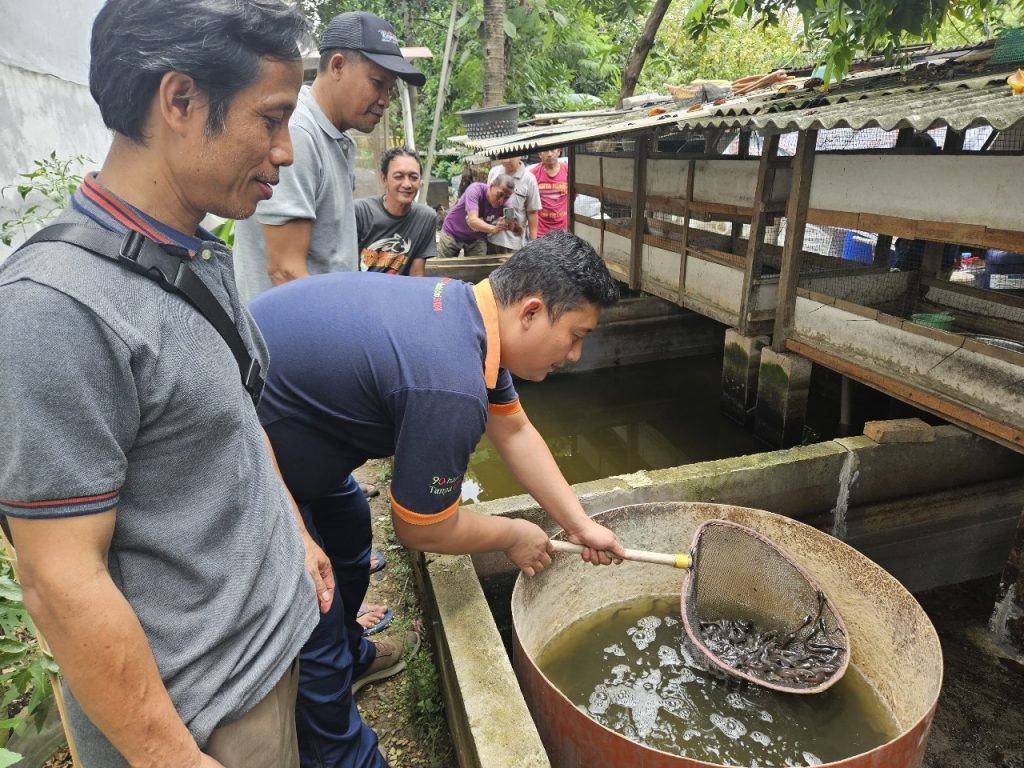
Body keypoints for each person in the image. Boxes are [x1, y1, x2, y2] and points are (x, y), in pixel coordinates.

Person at [0, 2, 332, 767]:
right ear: (180, 100)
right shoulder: (55, 309)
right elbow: (59, 579)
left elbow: (232, 418)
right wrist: (171, 757)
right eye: (271, 118)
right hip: (207, 712)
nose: (285, 151)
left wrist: (293, 532)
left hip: (267, 648)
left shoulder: (187, 252)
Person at [249, 230, 627, 768]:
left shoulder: (464, 311)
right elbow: (421, 529)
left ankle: (351, 654)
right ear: (531, 311)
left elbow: (515, 430)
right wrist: (514, 534)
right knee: (317, 614)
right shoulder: (450, 383)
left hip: (290, 434)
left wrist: (579, 524)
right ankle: (337, 743)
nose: (575, 354)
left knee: (351, 524)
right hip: (242, 459)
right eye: (575, 335)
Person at [233, 11, 426, 302]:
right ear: (338, 66)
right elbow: (286, 272)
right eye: (377, 83)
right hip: (290, 327)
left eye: (389, 89)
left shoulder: (334, 136)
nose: (385, 100)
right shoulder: (298, 134)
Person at [355, 146, 437, 276]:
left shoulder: (425, 218)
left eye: (413, 177)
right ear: (384, 179)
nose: (407, 184)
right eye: (399, 177)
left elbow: (416, 273)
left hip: (400, 287)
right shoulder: (360, 212)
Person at [436, 174, 517, 258]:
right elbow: (473, 220)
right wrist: (494, 229)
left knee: (479, 265)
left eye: (506, 197)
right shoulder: (475, 190)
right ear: (491, 186)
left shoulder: (507, 205)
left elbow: (513, 225)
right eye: (500, 195)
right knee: (442, 264)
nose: (501, 200)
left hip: (477, 238)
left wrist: (507, 224)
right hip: (452, 232)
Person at [486, 155, 539, 253]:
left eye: (510, 157)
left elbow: (532, 212)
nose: (506, 160)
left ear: (520, 155)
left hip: (513, 242)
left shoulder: (529, 179)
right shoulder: (494, 172)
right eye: (503, 157)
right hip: (490, 238)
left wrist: (533, 244)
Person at [530, 147, 570, 236]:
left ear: (558, 152)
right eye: (545, 151)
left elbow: (573, 196)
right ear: (540, 154)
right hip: (541, 232)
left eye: (552, 150)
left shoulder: (568, 170)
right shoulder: (533, 174)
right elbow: (530, 204)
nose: (549, 154)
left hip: (564, 230)